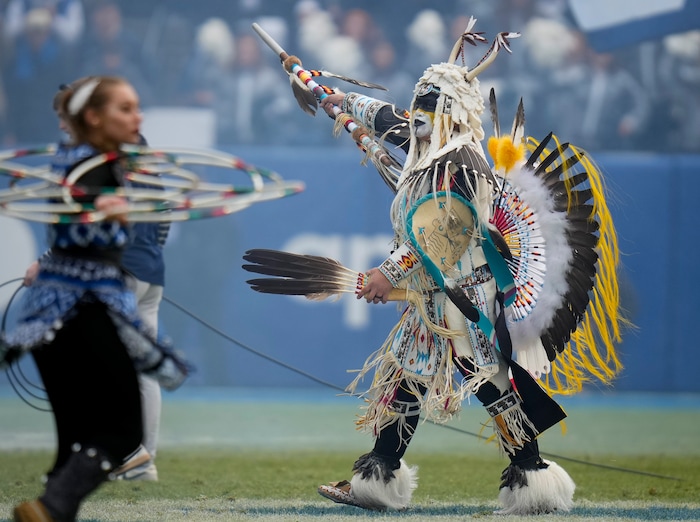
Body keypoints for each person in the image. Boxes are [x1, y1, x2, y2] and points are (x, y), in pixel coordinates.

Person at [314, 19, 622, 515]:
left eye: (428, 108)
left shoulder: (459, 166)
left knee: (494, 386)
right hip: (439, 297)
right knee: (410, 374)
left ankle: (531, 478)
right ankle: (377, 474)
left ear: (451, 114)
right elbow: (389, 118)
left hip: (467, 300)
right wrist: (335, 99)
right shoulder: (431, 144)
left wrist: (384, 275)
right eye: (418, 105)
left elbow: (440, 239)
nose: (416, 117)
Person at [1, 75, 189, 522]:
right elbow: (109, 219)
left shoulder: (71, 157)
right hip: (88, 305)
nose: (137, 117)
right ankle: (55, 504)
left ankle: (54, 505)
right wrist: (114, 205)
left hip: (47, 307)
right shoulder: (105, 166)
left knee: (75, 435)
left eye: (136, 107)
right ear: (94, 117)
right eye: (125, 109)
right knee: (124, 432)